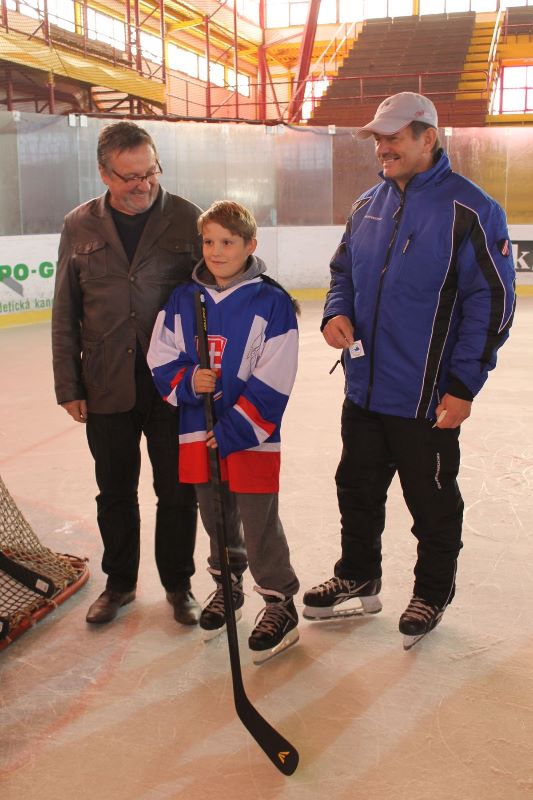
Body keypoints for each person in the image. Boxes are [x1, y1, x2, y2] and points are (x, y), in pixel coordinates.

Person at [302, 92, 515, 648]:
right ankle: (358, 573)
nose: (383, 148)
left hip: (428, 398)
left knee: (432, 503)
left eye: (394, 137)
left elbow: (492, 304)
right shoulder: (366, 205)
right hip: (364, 389)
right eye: (378, 138)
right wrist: (335, 312)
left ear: (428, 137)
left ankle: (431, 591)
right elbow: (343, 272)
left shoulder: (471, 210)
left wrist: (464, 385)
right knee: (357, 489)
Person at [52, 120, 202, 626]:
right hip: (105, 382)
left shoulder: (187, 218)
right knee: (114, 491)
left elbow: (218, 287)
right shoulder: (79, 225)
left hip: (173, 386)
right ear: (104, 174)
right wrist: (68, 385)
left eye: (150, 171)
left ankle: (179, 585)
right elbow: (65, 310)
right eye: (130, 176)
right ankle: (119, 584)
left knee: (177, 491)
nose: (144, 184)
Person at [147, 200, 300, 664]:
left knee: (258, 519)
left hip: (251, 435)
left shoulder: (271, 302)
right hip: (198, 429)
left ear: (250, 245)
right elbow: (160, 355)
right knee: (215, 515)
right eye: (208, 241)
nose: (216, 251)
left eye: (227, 242)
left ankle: (279, 601)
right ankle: (227, 585)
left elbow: (277, 374)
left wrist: (235, 429)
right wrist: (188, 380)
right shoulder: (184, 298)